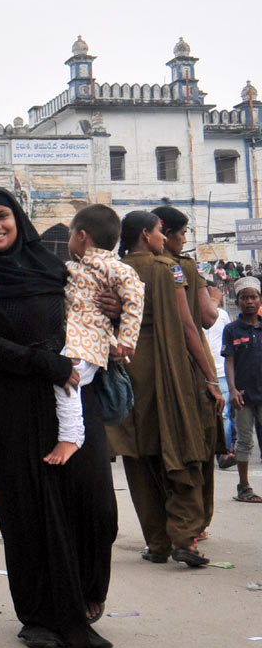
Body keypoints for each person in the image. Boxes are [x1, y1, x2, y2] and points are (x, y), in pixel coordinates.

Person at [0, 186, 116, 648]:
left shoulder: (54, 270)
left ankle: (85, 595)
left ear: (18, 220)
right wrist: (43, 362)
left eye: (3, 216)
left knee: (96, 506)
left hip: (74, 401)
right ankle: (38, 615)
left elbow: (86, 312)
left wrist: (109, 314)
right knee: (30, 511)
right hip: (15, 404)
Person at [108, 211, 224, 568]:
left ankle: (157, 543)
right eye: (160, 231)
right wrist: (210, 378)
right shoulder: (171, 268)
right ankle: (184, 536)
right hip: (171, 369)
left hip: (128, 375)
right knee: (182, 447)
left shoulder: (111, 271)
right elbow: (192, 326)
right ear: (147, 234)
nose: (164, 237)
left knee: (140, 458)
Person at [44, 204, 144, 465]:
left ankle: (71, 437)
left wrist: (127, 342)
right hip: (76, 341)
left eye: (69, 235)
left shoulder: (116, 269)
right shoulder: (75, 268)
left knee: (64, 379)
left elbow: (134, 302)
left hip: (89, 343)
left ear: (81, 236)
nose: (68, 242)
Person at [152, 205, 224, 535]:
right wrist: (215, 298)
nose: (184, 240)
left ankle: (161, 529)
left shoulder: (129, 267)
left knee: (153, 448)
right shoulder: (182, 268)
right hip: (189, 364)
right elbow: (205, 320)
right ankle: (197, 521)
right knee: (199, 441)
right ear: (165, 235)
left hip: (148, 367)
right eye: (181, 234)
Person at [224, 277, 262, 504]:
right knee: (246, 441)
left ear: (259, 299)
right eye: (244, 297)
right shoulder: (232, 330)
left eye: (253, 297)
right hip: (244, 396)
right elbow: (229, 361)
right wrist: (232, 389)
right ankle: (244, 486)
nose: (249, 301)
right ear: (237, 301)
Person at [206, 286, 236, 469]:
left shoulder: (223, 315)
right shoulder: (194, 313)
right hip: (202, 371)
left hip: (221, 371)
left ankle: (223, 454)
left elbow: (230, 342)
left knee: (224, 414)